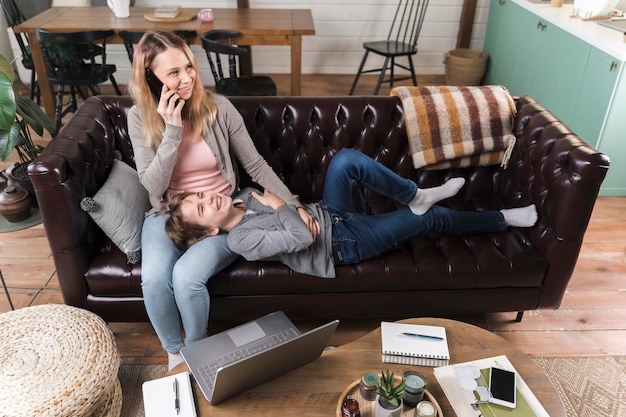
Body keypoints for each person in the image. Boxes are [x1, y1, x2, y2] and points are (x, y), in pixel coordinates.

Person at [127, 31, 318, 370]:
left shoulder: (218, 108)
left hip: (222, 210)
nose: (186, 78)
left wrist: (294, 205)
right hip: (167, 213)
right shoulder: (139, 118)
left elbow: (256, 164)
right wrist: (172, 131)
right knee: (154, 278)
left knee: (187, 277)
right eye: (173, 73)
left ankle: (196, 351)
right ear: (150, 77)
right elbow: (153, 186)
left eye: (188, 66)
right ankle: (174, 354)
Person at [164, 149, 538, 279]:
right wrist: (281, 205)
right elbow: (301, 237)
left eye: (200, 194)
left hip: (332, 212)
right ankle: (502, 218)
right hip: (342, 244)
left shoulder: (245, 194)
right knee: (428, 221)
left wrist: (289, 207)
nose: (207, 198)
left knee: (344, 161)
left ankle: (415, 193)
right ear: (209, 233)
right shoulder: (240, 239)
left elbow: (296, 216)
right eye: (200, 209)